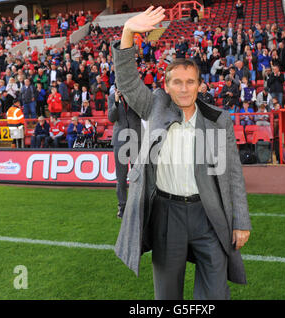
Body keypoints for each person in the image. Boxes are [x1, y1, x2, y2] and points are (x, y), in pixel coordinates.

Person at [113, 6, 251, 300]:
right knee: (167, 293)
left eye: (190, 82)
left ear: (200, 85)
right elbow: (126, 82)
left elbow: (233, 174)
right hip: (166, 214)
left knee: (215, 293)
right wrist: (128, 32)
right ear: (166, 85)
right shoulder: (155, 106)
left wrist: (241, 221)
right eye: (177, 82)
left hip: (208, 213)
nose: (184, 88)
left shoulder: (218, 120)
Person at [108, 87, 142, 219]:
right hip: (120, 140)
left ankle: (136, 205)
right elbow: (111, 118)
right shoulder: (112, 97)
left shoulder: (136, 96)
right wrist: (116, 102)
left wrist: (132, 98)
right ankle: (122, 207)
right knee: (121, 178)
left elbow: (144, 113)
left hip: (135, 139)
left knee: (137, 176)